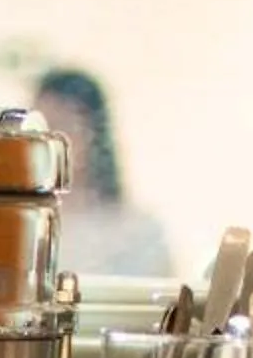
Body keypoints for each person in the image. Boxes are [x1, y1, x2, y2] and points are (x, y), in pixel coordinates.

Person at [32, 66, 174, 279]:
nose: (48, 142)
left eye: (61, 126)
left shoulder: (137, 232)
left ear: (94, 134)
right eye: (39, 130)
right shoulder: (21, 227)